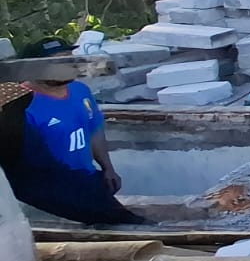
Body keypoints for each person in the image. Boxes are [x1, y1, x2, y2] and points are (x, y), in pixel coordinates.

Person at [0, 40, 144, 225]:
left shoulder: (80, 91)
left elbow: (94, 129)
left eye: (69, 60)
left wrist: (107, 167)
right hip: (49, 188)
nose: (66, 67)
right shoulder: (18, 107)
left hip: (87, 180)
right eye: (57, 62)